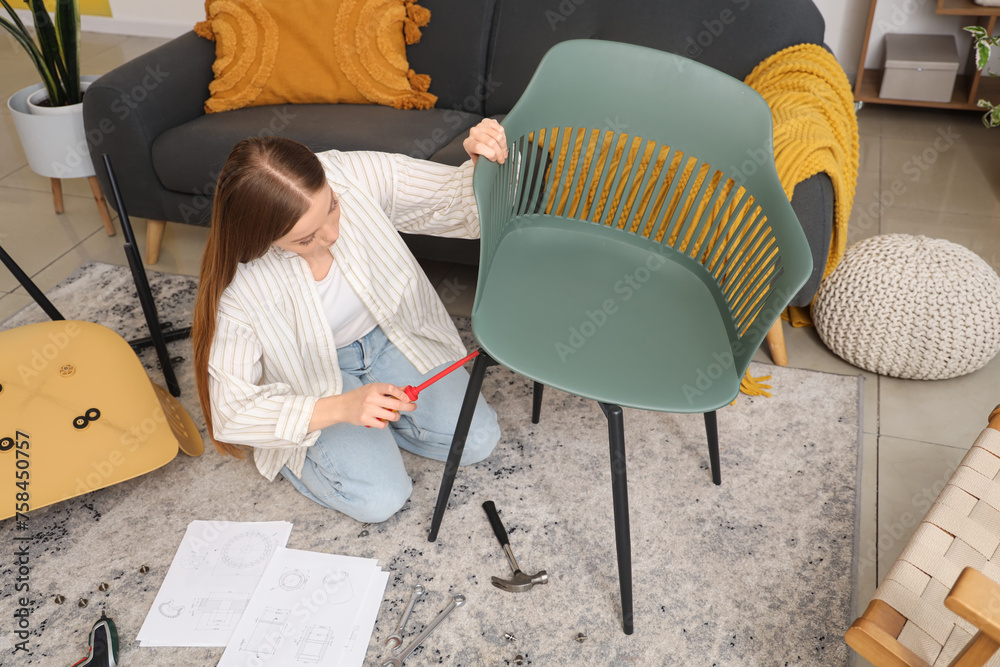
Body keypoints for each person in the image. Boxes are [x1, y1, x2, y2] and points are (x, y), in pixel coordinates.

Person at [192, 119, 509, 523]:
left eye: (332, 207)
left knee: (479, 441)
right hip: (311, 382)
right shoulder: (236, 288)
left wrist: (482, 158)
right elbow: (231, 412)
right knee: (380, 500)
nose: (332, 233)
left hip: (392, 338)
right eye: (305, 239)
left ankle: (379, 428)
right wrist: (343, 408)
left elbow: (461, 206)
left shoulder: (350, 172)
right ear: (262, 239)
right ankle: (308, 450)